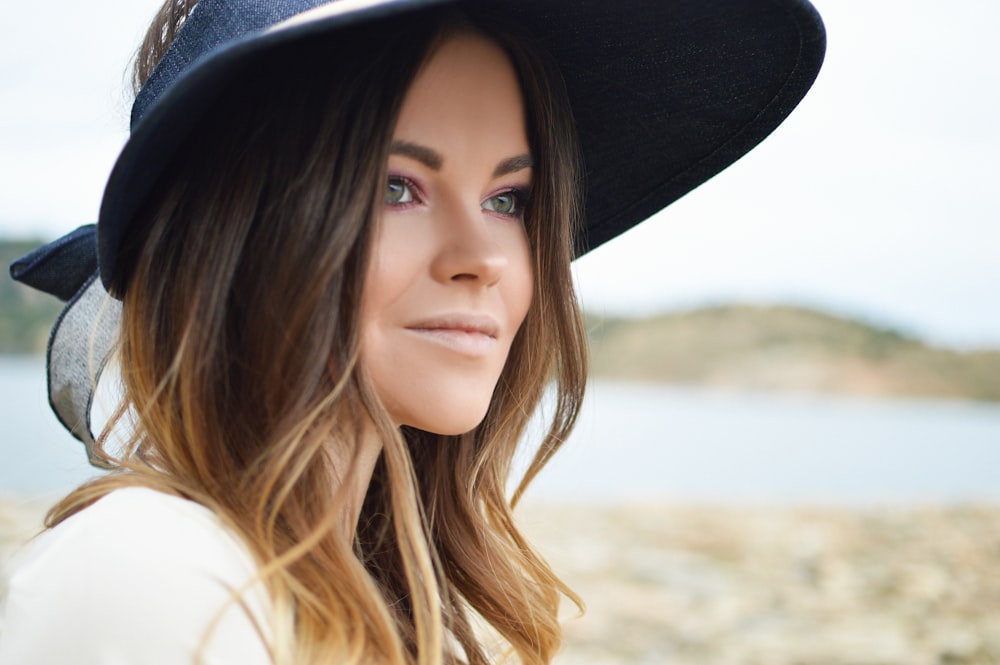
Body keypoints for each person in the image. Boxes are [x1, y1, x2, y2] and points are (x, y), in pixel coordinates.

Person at [1, 0, 825, 663]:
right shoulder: (152, 576)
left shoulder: (361, 587)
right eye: (398, 186)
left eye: (510, 200)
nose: (484, 258)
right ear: (235, 232)